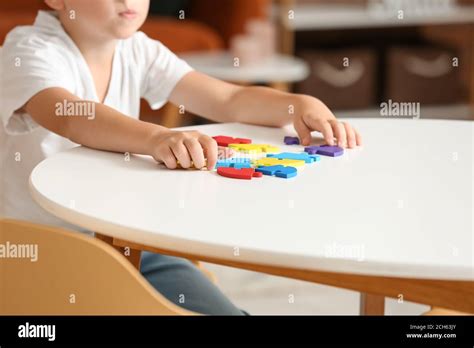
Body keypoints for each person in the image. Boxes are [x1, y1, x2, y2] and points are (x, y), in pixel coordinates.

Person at [0, 0, 362, 315]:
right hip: (42, 250)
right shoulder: (29, 48)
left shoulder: (137, 49)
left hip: (118, 238)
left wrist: (297, 103)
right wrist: (157, 137)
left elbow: (225, 99)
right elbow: (70, 116)